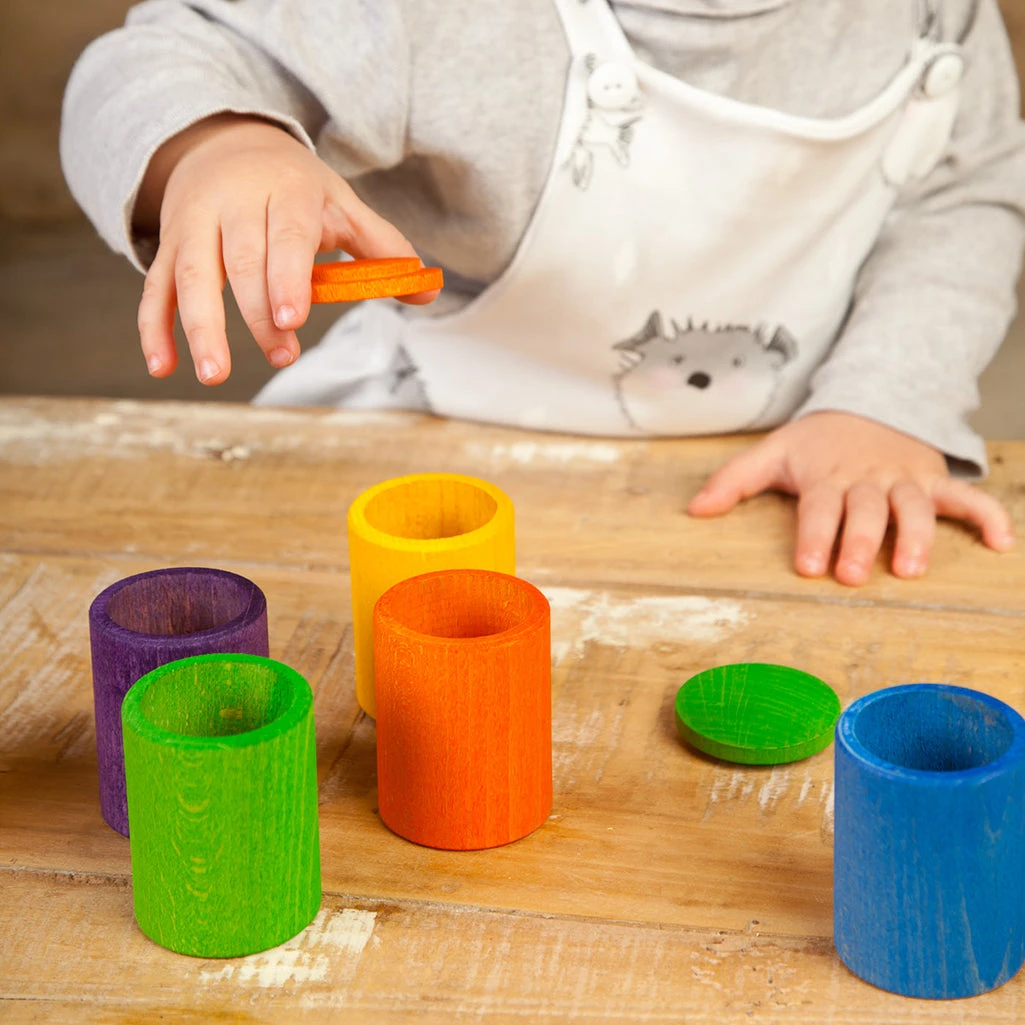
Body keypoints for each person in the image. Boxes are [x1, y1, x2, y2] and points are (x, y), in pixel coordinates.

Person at [61, 0, 1025, 585]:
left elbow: (964, 194)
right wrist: (221, 144)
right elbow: (150, 60)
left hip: (780, 478)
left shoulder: (935, 15)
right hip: (425, 454)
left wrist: (882, 402)